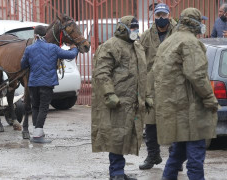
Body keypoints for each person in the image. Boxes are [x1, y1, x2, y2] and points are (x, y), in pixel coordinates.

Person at [153, 8, 218, 180]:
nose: (203, 25)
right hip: (191, 110)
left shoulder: (168, 41)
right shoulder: (190, 42)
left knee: (177, 154)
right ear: (194, 23)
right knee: (195, 156)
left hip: (175, 108)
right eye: (201, 22)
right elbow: (196, 74)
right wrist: (210, 98)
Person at [91, 16, 147, 180]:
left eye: (137, 28)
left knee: (125, 136)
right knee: (116, 136)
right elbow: (102, 72)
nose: (135, 31)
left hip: (132, 101)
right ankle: (116, 173)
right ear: (123, 28)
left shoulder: (137, 47)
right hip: (117, 101)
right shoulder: (110, 46)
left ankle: (119, 171)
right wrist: (109, 93)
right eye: (133, 27)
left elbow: (143, 73)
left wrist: (147, 95)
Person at [21, 25, 78, 143]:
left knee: (35, 107)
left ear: (35, 36)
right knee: (43, 107)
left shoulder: (29, 49)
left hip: (33, 84)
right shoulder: (53, 48)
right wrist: (74, 48)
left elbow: (23, 65)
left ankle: (37, 132)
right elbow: (71, 55)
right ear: (45, 35)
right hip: (47, 83)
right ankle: (37, 135)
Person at [138, 3, 176, 170]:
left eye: (164, 15)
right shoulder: (146, 35)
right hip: (151, 86)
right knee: (151, 123)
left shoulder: (178, 33)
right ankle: (153, 155)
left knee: (173, 122)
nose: (161, 18)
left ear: (169, 15)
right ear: (154, 16)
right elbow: (139, 57)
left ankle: (175, 159)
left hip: (173, 85)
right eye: (158, 15)